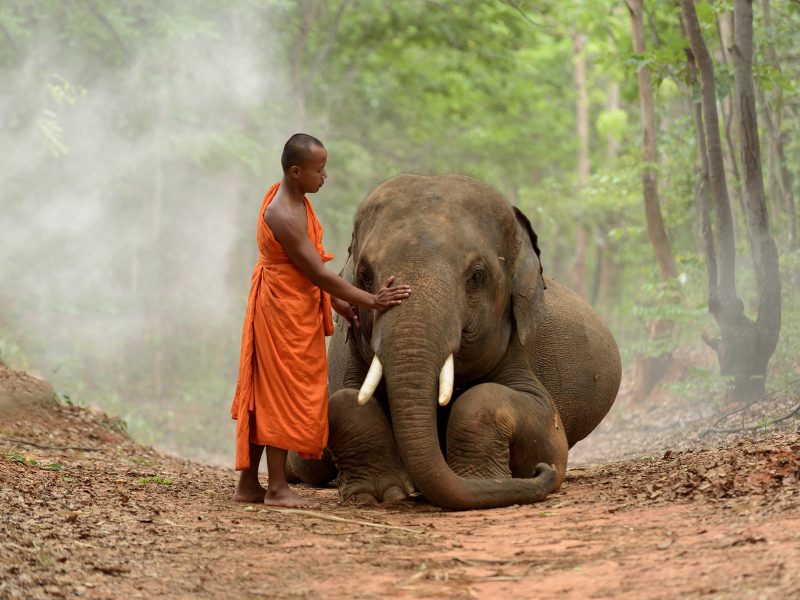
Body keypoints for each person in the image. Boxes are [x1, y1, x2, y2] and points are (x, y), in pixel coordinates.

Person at [230, 133, 410, 507]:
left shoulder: (295, 199)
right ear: (296, 172)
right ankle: (277, 487)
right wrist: (372, 301)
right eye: (319, 169)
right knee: (281, 391)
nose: (324, 176)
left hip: (292, 301)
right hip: (282, 310)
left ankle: (249, 484)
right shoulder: (281, 213)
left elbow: (307, 270)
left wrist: (334, 302)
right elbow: (317, 273)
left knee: (266, 390)